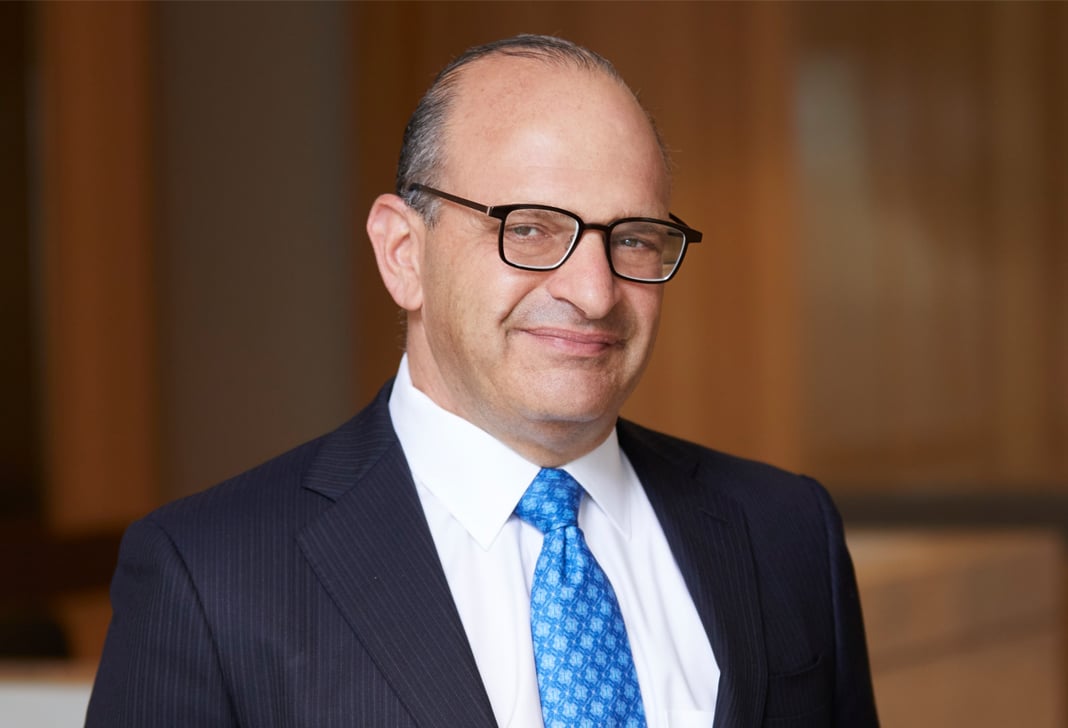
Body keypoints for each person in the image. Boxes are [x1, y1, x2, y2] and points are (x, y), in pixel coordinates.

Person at [86, 34, 878, 728]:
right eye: (529, 228)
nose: (594, 292)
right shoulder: (209, 578)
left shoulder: (786, 532)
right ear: (403, 254)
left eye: (634, 238)